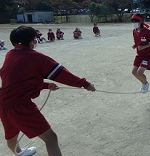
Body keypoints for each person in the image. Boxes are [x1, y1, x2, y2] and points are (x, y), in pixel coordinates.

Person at [0, 26, 96, 156]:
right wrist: (84, 84)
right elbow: (61, 74)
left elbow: (17, 81)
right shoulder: (34, 56)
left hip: (3, 103)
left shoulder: (10, 54)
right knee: (51, 138)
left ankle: (19, 153)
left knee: (11, 135)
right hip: (20, 105)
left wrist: (45, 85)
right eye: (34, 39)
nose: (35, 41)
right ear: (30, 41)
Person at [131, 14, 150, 93]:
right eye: (132, 21)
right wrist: (135, 45)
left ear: (141, 21)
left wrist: (144, 46)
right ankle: (143, 83)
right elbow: (137, 42)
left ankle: (145, 84)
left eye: (135, 21)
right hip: (139, 55)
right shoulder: (134, 31)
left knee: (139, 72)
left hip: (148, 56)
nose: (134, 23)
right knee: (134, 72)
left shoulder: (147, 31)